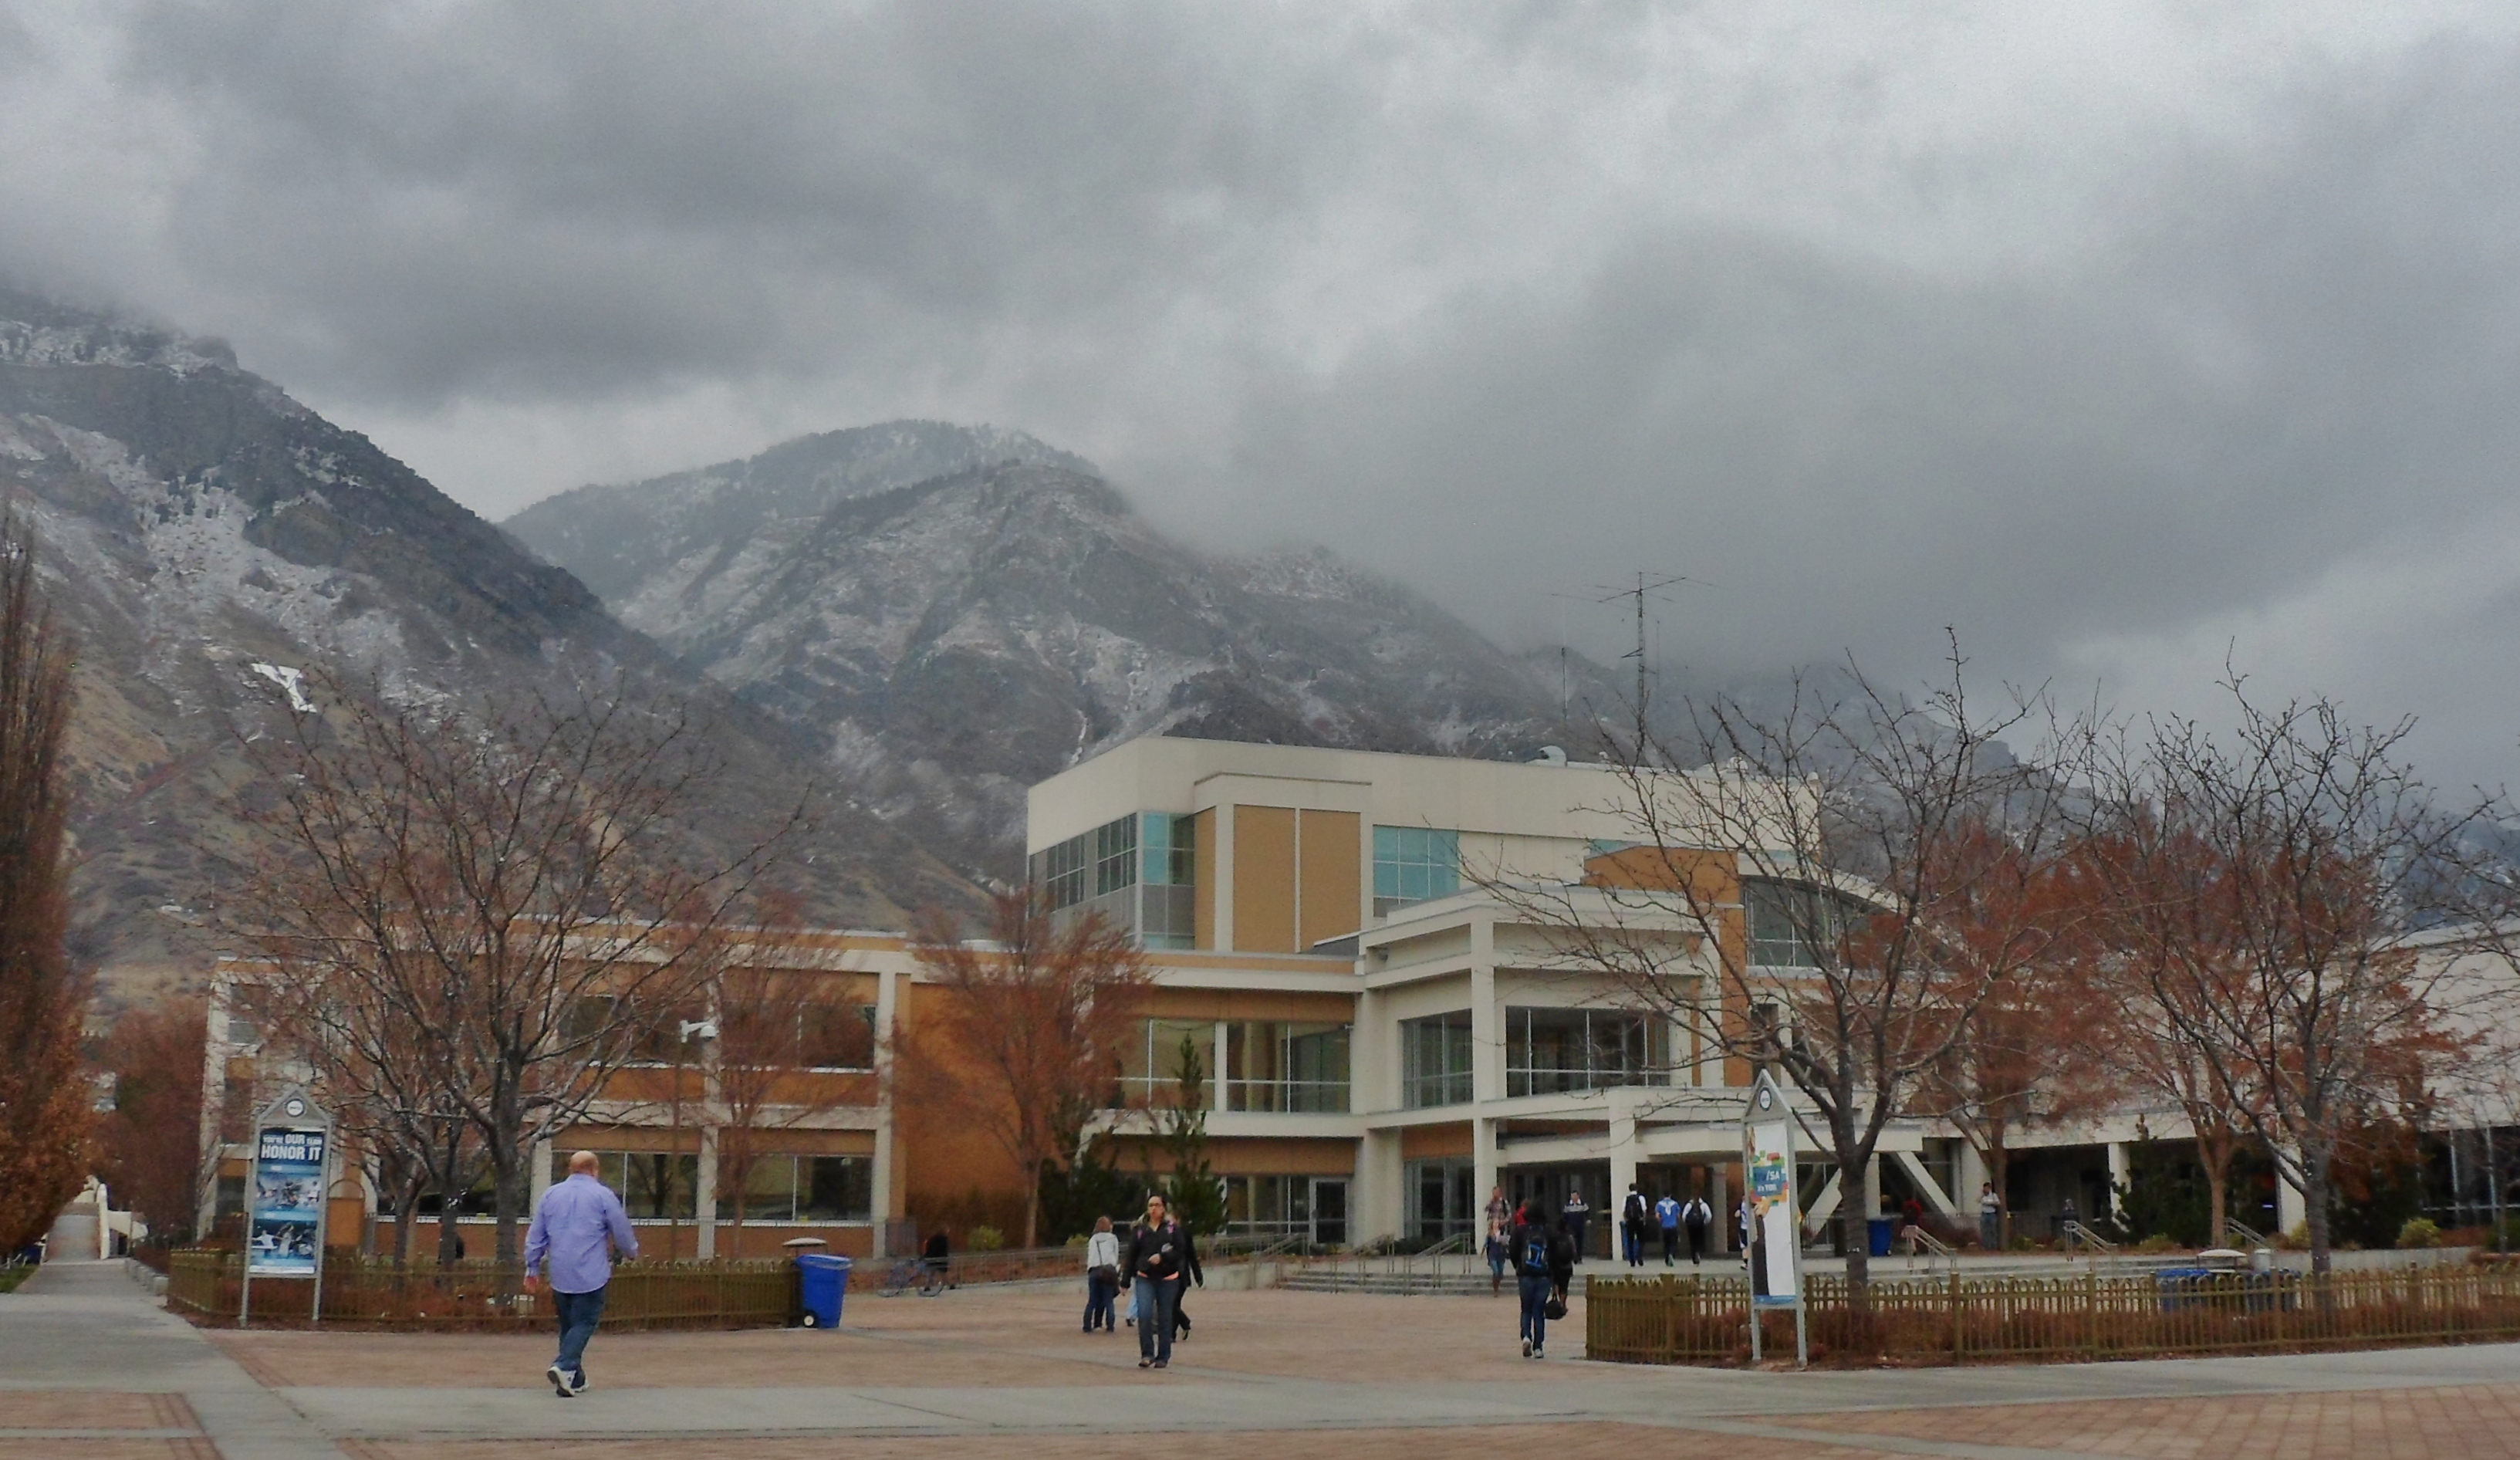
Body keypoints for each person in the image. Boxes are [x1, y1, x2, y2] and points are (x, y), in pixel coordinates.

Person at [522, 1150, 638, 1399]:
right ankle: (563, 1365)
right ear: (595, 1170)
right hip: (590, 1272)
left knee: (569, 1325)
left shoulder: (550, 1195)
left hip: (560, 1271)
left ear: (571, 1169)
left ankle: (574, 1378)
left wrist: (532, 1267)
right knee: (585, 1322)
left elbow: (536, 1235)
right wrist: (631, 1251)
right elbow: (620, 1229)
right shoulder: (603, 1195)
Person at [1120, 1193, 1185, 1370]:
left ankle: (1163, 1356)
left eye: (1157, 1205)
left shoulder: (1172, 1229)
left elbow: (1180, 1251)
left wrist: (1163, 1257)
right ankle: (1147, 1354)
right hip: (1145, 1278)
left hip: (1168, 1279)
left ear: (1163, 1208)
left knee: (1165, 1318)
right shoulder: (1141, 1230)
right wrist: (1125, 1281)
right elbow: (1131, 1255)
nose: (1153, 1208)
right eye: (1150, 1205)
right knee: (1145, 1315)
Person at [1509, 1201, 1554, 1358]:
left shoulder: (1520, 1231)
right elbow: (1554, 1253)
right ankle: (1538, 1347)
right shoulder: (1548, 1232)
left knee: (1526, 1309)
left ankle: (1526, 1336)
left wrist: (1518, 1267)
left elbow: (1513, 1250)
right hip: (1544, 1276)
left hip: (1526, 1275)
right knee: (1539, 1311)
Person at [1083, 1215, 1120, 1333]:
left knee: (1092, 1300)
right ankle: (1110, 1326)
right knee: (1108, 1300)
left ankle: (1087, 1326)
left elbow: (1091, 1256)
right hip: (1108, 1271)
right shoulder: (1113, 1238)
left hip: (1094, 1270)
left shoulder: (1093, 1239)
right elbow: (1116, 1255)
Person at [1171, 1219, 1204, 1341]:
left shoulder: (1184, 1234)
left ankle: (1183, 1324)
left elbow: (1192, 1256)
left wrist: (1198, 1276)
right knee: (1173, 1304)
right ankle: (1173, 1332)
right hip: (1166, 1274)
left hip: (1181, 1274)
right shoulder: (1161, 1234)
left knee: (1172, 1303)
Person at [1619, 1182, 1648, 1267]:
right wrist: (1644, 1220)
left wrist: (1626, 1219)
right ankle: (1639, 1256)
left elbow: (1624, 1211)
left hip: (1630, 1221)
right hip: (1639, 1221)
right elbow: (1644, 1210)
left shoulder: (1626, 1198)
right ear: (1637, 1189)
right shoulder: (1641, 1198)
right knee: (1641, 1240)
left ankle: (1632, 1260)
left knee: (1630, 1240)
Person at [1682, 1193, 1712, 1266]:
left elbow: (1684, 1216)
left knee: (1692, 1241)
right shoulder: (1704, 1205)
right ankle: (1699, 1252)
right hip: (1700, 1225)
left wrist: (1687, 1222)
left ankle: (1694, 1255)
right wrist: (1704, 1222)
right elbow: (1709, 1216)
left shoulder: (1689, 1205)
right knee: (1700, 1240)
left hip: (1691, 1226)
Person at [1654, 1190, 1682, 1266]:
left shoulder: (1659, 1204)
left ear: (1663, 1195)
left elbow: (1657, 1216)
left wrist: (1661, 1221)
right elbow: (1678, 1215)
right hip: (1673, 1226)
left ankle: (1667, 1259)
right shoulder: (1675, 1203)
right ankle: (1671, 1254)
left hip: (1665, 1226)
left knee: (1666, 1243)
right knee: (1673, 1242)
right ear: (1670, 1195)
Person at [1561, 1188, 1589, 1261]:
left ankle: (1579, 1256)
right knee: (1573, 1241)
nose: (1573, 1198)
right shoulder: (1568, 1205)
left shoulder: (1583, 1204)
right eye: (1572, 1196)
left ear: (1578, 1196)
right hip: (1571, 1226)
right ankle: (1574, 1256)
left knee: (1580, 1241)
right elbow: (1565, 1216)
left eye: (1574, 1196)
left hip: (1580, 1226)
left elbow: (1587, 1213)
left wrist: (1588, 1219)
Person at [1484, 1219, 1508, 1295]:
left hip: (1500, 1254)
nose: (1496, 1224)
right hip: (1493, 1254)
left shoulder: (1502, 1233)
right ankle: (1496, 1289)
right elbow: (1486, 1244)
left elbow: (1506, 1243)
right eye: (1495, 1223)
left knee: (1500, 1272)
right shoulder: (1489, 1234)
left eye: (1497, 1223)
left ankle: (1497, 1283)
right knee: (1496, 1271)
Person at [1979, 1183, 2001, 1252]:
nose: (1986, 1189)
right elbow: (1978, 1201)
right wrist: (1982, 1196)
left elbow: (1998, 1203)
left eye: (1987, 1188)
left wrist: (1991, 1203)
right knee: (1984, 1231)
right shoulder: (1983, 1196)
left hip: (1992, 1214)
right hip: (1984, 1214)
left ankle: (1993, 1246)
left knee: (1993, 1231)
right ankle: (1985, 1246)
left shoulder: (1993, 1195)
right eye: (1984, 1188)